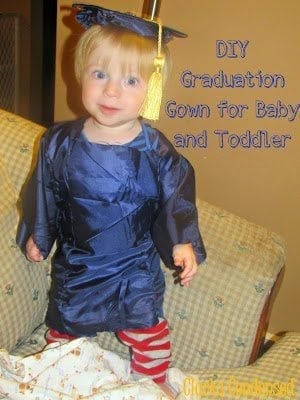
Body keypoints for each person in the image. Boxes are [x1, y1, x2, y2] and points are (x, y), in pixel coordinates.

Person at [17, 3, 206, 390]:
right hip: (79, 266)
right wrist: (38, 233)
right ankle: (58, 383)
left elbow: (177, 196)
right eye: (99, 74)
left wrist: (182, 240)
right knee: (62, 333)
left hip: (133, 270)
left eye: (130, 81)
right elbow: (44, 192)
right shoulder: (59, 142)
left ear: (151, 89)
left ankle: (148, 387)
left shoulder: (156, 151)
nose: (111, 90)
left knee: (150, 333)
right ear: (80, 75)